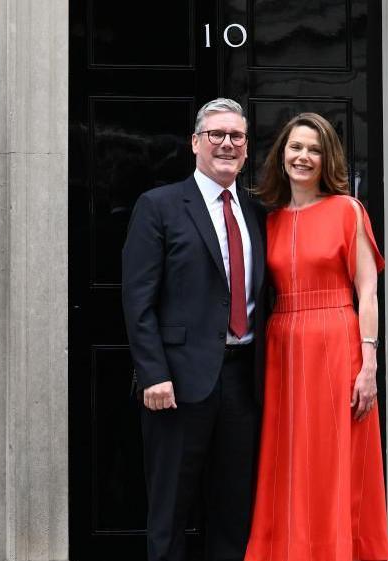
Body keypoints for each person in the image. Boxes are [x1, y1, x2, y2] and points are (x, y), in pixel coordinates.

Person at [121, 98, 267, 561]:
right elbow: (137, 300)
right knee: (169, 512)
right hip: (178, 383)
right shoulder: (159, 206)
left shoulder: (258, 210)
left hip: (243, 381)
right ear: (195, 143)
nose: (227, 144)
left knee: (233, 511)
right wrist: (152, 374)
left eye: (236, 136)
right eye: (216, 135)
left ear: (246, 148)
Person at [244, 113, 388, 561]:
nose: (303, 157)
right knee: (287, 459)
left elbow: (367, 292)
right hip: (283, 346)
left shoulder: (348, 210)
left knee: (333, 460)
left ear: (327, 158)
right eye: (295, 148)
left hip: (336, 340)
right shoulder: (267, 221)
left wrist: (369, 365)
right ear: (281, 155)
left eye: (314, 149)